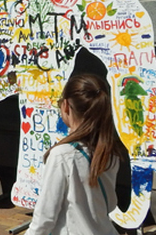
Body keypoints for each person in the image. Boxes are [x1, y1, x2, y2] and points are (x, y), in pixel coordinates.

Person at [25, 74, 121, 235]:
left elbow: (44, 218)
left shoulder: (62, 155)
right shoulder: (109, 150)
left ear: (66, 106)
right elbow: (110, 205)